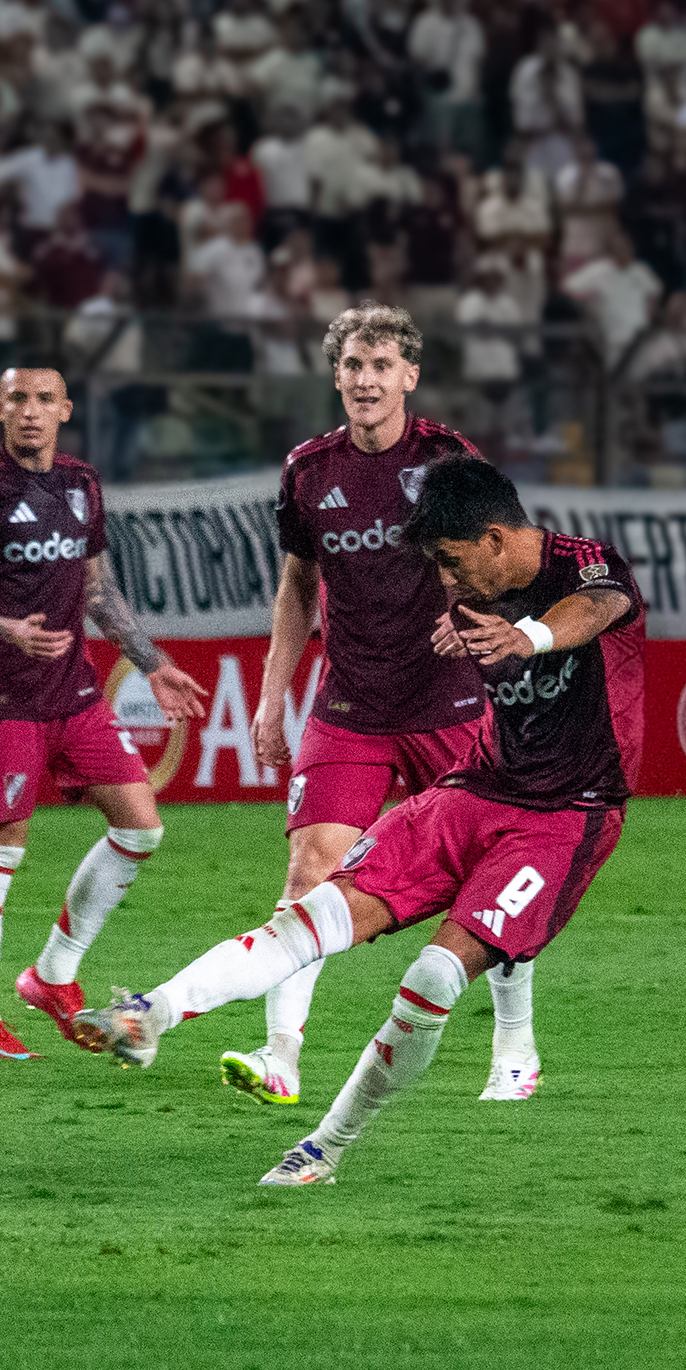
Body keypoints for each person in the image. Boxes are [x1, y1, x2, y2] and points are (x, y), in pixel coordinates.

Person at [73, 456, 645, 1186]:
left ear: (497, 540)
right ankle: (152, 1013)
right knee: (311, 912)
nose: (444, 580)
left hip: (566, 816)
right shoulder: (470, 603)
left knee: (435, 976)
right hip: (473, 790)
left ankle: (325, 1147)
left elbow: (597, 608)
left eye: (451, 561)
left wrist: (525, 637)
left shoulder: (586, 565)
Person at [228, 304, 544, 1111]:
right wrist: (271, 696)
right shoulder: (309, 471)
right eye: (353, 366)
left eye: (380, 366)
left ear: (409, 375)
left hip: (451, 703)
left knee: (494, 871)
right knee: (309, 870)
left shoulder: (446, 459)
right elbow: (297, 587)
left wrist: (472, 614)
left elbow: (511, 559)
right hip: (351, 707)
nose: (365, 380)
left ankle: (515, 1046)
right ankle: (280, 1056)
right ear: (336, 376)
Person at [0, 365, 210, 1061]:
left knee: (141, 826)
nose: (31, 411)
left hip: (75, 693)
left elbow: (98, 591)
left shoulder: (82, 483)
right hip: (6, 698)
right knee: (1, 842)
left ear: (65, 410)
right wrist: (5, 628)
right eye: (18, 399)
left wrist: (152, 662)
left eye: (44, 400)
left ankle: (53, 974)